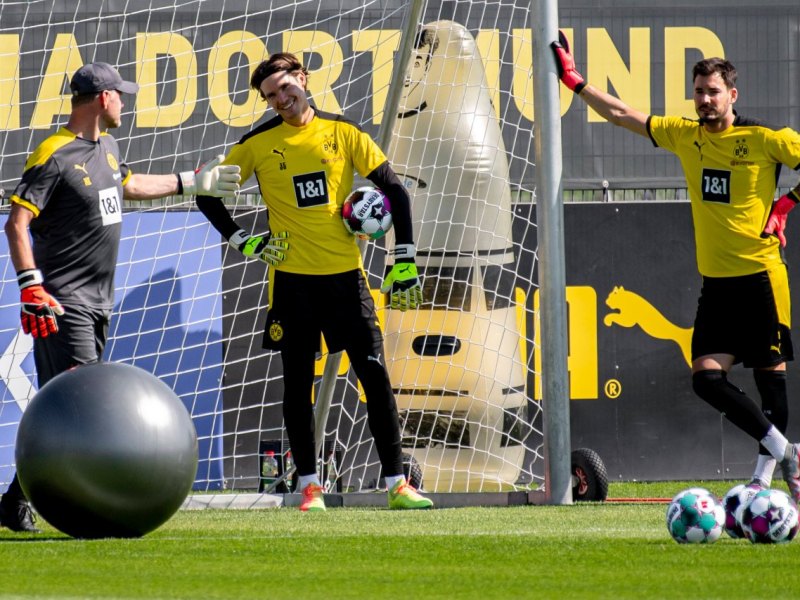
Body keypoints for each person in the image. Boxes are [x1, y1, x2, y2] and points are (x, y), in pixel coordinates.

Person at [551, 33, 800, 501]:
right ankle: (788, 452)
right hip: (717, 285)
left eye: (713, 92)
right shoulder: (686, 136)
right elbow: (625, 115)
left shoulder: (766, 140)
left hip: (762, 279)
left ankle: (764, 481)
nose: (705, 100)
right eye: (699, 92)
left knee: (772, 385)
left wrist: (785, 203)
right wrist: (575, 82)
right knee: (706, 378)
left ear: (733, 95)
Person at [1, 62, 241, 532]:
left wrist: (189, 182)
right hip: (63, 303)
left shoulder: (105, 147)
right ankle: (82, 505)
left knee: (76, 406)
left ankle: (14, 500)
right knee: (89, 408)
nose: (125, 103)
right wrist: (32, 284)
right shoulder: (54, 153)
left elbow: (127, 184)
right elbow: (17, 222)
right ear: (100, 98)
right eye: (120, 95)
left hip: (98, 303)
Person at [195, 52, 432, 512]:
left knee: (375, 378)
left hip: (347, 281)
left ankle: (397, 484)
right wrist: (245, 241)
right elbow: (208, 193)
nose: (281, 99)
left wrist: (403, 257)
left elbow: (396, 191)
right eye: (270, 96)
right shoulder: (257, 144)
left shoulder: (344, 132)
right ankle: (309, 486)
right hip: (291, 285)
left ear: (303, 79)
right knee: (297, 384)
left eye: (285, 88)